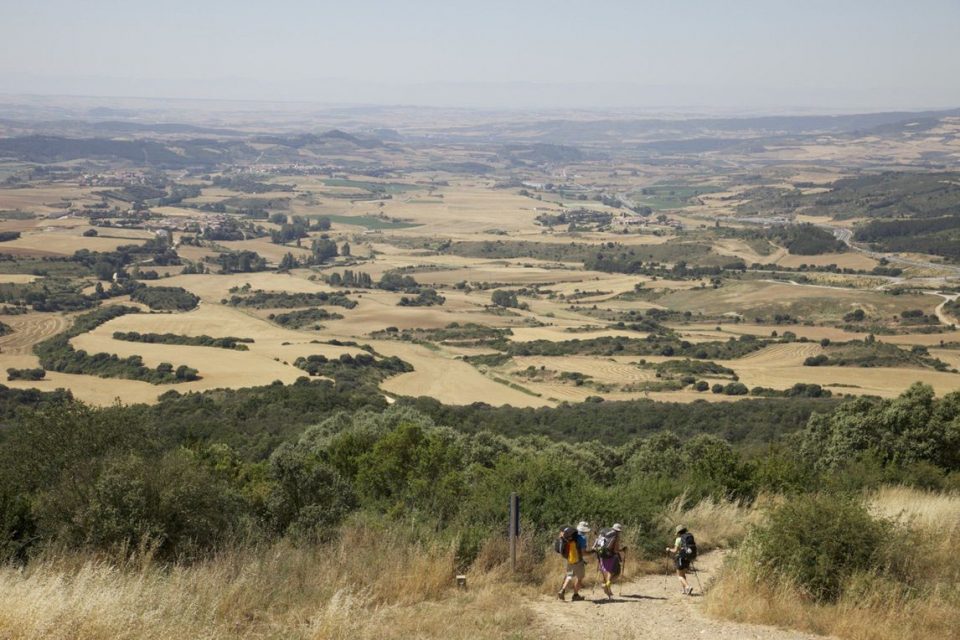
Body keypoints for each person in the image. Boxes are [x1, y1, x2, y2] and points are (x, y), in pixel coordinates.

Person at [558, 521, 592, 601]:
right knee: (580, 578)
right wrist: (592, 552)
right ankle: (575, 595)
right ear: (585, 530)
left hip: (570, 560)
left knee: (569, 575)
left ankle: (562, 590)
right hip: (578, 562)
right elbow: (583, 553)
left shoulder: (571, 536)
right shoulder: (582, 538)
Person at [595, 523, 626, 599]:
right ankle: (606, 586)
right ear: (618, 530)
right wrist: (622, 550)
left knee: (605, 571)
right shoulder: (616, 536)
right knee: (614, 572)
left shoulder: (605, 533)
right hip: (611, 556)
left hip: (602, 555)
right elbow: (615, 550)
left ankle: (608, 590)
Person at [666, 524, 694, 595]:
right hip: (688, 558)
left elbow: (675, 550)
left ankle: (688, 587)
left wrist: (669, 549)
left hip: (680, 558)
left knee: (679, 576)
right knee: (683, 574)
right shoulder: (689, 537)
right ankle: (684, 590)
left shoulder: (678, 539)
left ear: (678, 532)